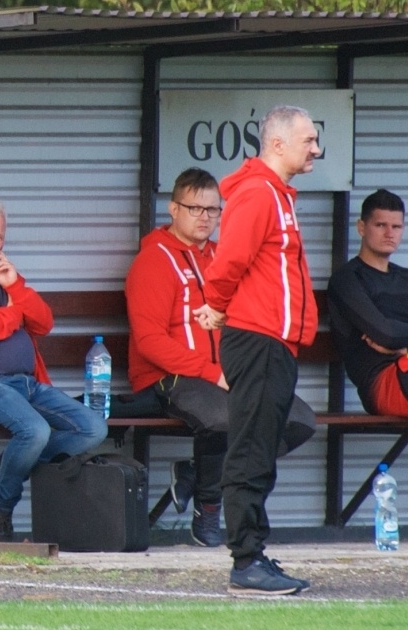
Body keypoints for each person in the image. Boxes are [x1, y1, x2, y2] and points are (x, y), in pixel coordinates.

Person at [125, 167, 315, 548]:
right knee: (231, 420)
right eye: (194, 208)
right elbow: (149, 342)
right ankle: (209, 507)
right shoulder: (153, 259)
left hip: (226, 374)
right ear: (173, 209)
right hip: (169, 379)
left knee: (296, 419)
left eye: (213, 210)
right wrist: (211, 372)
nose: (204, 218)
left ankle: (198, 473)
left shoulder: (221, 256)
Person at [195, 105, 321, 597]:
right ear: (277, 144)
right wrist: (215, 305)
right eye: (308, 139)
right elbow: (230, 261)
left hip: (273, 342)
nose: (315, 148)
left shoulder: (276, 194)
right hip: (258, 340)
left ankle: (253, 553)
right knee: (250, 449)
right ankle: (246, 561)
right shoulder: (258, 193)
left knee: (260, 445)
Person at [0, 196, 108, 542]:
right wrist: (12, 315)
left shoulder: (3, 276)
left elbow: (44, 322)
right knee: (35, 432)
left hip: (28, 384)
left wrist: (15, 287)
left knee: (93, 428)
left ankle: (3, 468)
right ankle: (1, 503)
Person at [327, 189, 408, 421]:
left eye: (396, 227)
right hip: (384, 385)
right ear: (361, 227)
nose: (389, 233)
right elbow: (385, 333)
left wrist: (405, 347)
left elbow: (397, 335)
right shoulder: (347, 280)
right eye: (380, 225)